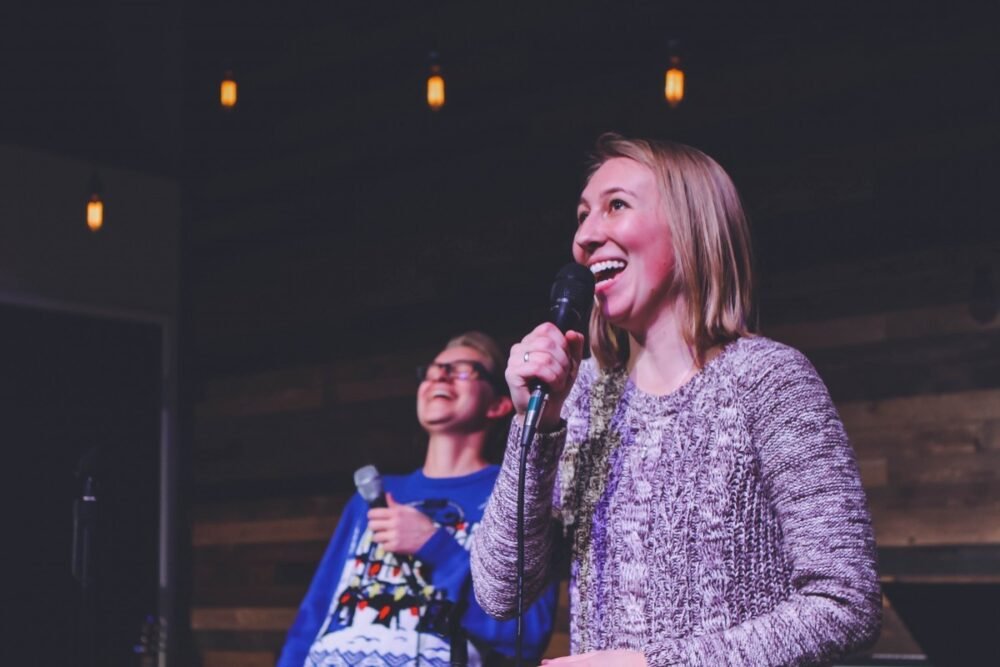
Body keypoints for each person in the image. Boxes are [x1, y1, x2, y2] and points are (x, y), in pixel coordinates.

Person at [470, 134, 882, 666]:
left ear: (691, 226)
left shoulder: (768, 380)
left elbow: (846, 603)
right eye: (581, 215)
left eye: (615, 205)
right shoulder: (583, 396)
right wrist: (539, 426)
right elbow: (501, 592)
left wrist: (651, 665)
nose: (585, 237)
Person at [278, 331, 558, 667]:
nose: (440, 375)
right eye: (434, 369)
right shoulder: (373, 495)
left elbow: (525, 637)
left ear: (498, 404)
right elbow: (315, 613)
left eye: (464, 370)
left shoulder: (517, 492)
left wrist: (435, 547)